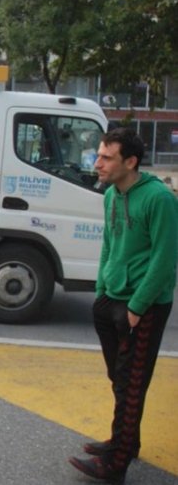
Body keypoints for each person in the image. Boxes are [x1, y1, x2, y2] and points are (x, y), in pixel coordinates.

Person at [68, 127, 177, 483]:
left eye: (106, 157)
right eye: (98, 155)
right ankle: (125, 442)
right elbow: (109, 244)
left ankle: (116, 464)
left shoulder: (159, 199)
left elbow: (165, 258)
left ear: (130, 162)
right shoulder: (111, 195)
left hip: (142, 305)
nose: (97, 163)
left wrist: (138, 305)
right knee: (121, 380)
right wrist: (101, 288)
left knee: (131, 384)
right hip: (110, 297)